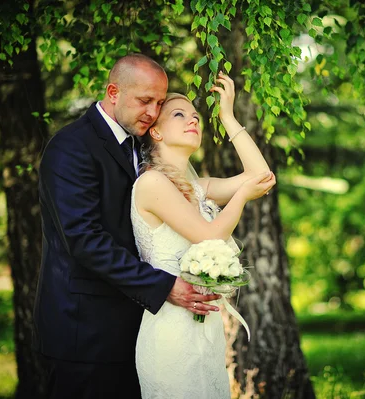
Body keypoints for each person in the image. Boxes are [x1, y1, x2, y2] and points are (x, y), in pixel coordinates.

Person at [33, 54, 221, 399]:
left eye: (160, 102)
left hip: (137, 329)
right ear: (113, 91)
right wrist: (164, 286)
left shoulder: (141, 145)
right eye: (144, 100)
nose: (153, 111)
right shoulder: (71, 148)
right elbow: (85, 240)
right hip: (85, 333)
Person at [131, 71, 276, 398]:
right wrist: (241, 196)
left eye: (196, 116)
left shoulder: (201, 188)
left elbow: (261, 176)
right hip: (170, 329)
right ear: (155, 130)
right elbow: (209, 237)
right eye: (179, 114)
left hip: (207, 327)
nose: (192, 120)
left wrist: (227, 116)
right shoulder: (152, 184)